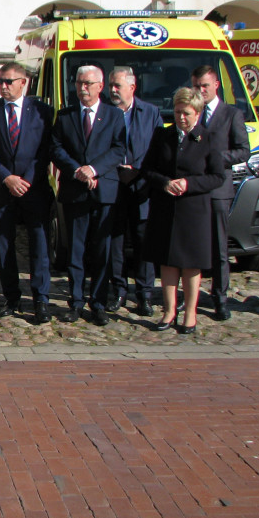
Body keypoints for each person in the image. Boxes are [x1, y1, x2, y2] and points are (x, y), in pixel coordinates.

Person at [140, 88, 224, 334]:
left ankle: (190, 312)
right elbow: (147, 170)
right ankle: (168, 310)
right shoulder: (163, 136)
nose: (181, 118)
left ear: (197, 114)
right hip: (166, 207)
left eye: (186, 113)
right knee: (167, 261)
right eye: (177, 112)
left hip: (194, 210)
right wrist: (165, 182)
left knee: (190, 264)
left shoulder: (208, 138)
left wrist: (190, 184)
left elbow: (217, 176)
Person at [0, 62, 54, 324]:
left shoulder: (43, 111)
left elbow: (45, 150)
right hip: (2, 188)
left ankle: (41, 300)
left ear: (24, 82)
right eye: (0, 81)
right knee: (4, 245)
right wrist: (7, 178)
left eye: (9, 81)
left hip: (34, 189)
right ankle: (11, 298)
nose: (3, 86)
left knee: (39, 244)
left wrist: (26, 181)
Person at [51, 64, 126, 326]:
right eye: (79, 82)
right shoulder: (66, 115)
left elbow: (118, 149)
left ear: (100, 87)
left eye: (88, 84)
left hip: (103, 190)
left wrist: (93, 170)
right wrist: (77, 171)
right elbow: (57, 148)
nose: (83, 88)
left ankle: (99, 302)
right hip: (75, 192)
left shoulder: (114, 115)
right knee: (76, 251)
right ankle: (76, 301)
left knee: (101, 251)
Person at [191, 65, 249, 320]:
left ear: (216, 85)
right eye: (196, 86)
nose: (200, 90)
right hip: (193, 189)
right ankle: (189, 296)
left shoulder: (231, 114)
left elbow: (242, 150)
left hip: (217, 189)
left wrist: (216, 158)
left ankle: (220, 297)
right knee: (191, 245)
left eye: (204, 85)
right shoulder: (190, 113)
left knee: (218, 248)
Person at [107, 67, 163, 316]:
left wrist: (138, 169)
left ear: (132, 87)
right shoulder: (106, 113)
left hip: (141, 187)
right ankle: (118, 290)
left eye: (117, 86)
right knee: (115, 242)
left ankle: (145, 294)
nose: (113, 91)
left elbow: (160, 149)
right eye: (110, 86)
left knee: (144, 243)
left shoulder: (150, 113)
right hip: (113, 185)